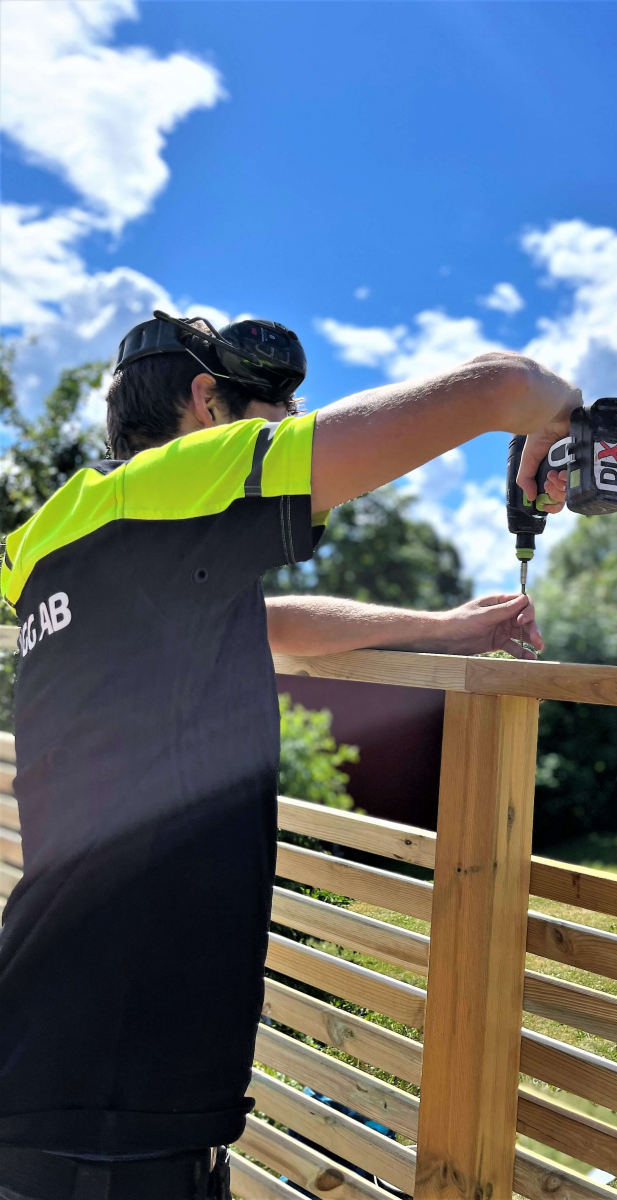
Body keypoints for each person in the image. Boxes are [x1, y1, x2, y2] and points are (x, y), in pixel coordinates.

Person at [0, 312, 577, 1199]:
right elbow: (498, 388)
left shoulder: (79, 537)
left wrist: (440, 629)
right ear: (207, 403)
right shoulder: (165, 490)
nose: (290, 426)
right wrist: (556, 412)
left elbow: (263, 625)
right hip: (107, 1127)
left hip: (66, 1079)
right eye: (275, 411)